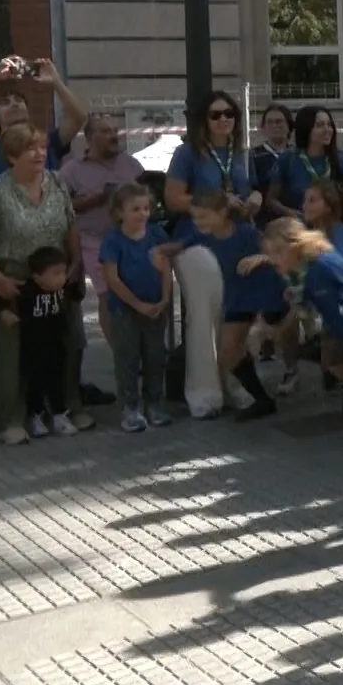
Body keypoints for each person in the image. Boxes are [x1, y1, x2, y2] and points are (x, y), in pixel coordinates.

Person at [0, 122, 83, 445]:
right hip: (14, 279)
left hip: (55, 277)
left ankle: (64, 408)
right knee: (11, 352)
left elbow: (71, 223)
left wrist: (76, 262)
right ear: (11, 156)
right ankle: (12, 418)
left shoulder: (57, 183)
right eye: (30, 149)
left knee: (64, 345)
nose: (39, 154)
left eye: (42, 147)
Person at [164, 90, 262, 420]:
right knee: (204, 314)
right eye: (215, 114)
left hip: (234, 237)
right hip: (196, 240)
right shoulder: (187, 153)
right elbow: (173, 198)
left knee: (234, 314)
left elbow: (250, 188)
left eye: (229, 113)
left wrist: (255, 198)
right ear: (203, 120)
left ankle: (232, 382)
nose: (223, 120)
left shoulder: (240, 153)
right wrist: (218, 201)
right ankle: (204, 393)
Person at [254, 218, 343, 424]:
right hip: (338, 323)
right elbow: (303, 301)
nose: (274, 259)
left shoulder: (323, 262)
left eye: (278, 252)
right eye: (270, 254)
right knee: (334, 361)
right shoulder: (299, 272)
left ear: (296, 245)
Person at [167, 190, 285, 421]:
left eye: (203, 217)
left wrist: (260, 259)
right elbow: (178, 246)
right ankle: (260, 398)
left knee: (238, 348)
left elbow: (277, 253)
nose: (198, 222)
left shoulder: (247, 233)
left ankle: (261, 397)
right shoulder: (201, 236)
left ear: (222, 212)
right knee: (228, 353)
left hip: (256, 296)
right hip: (235, 300)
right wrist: (157, 251)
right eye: (195, 218)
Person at [59, 113, 144, 340]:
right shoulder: (72, 170)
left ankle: (136, 343)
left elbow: (148, 197)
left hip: (132, 240)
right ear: (89, 138)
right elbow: (59, 207)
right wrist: (94, 199)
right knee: (108, 293)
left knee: (134, 290)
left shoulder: (131, 165)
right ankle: (119, 348)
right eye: (106, 131)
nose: (113, 136)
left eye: (115, 131)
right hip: (93, 240)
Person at [98, 183, 172, 433]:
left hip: (155, 308)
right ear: (120, 212)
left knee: (155, 356)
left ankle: (154, 403)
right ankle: (129, 407)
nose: (142, 214)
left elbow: (166, 270)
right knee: (127, 358)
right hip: (124, 310)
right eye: (135, 209)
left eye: (146, 208)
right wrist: (137, 304)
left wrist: (164, 299)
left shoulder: (157, 235)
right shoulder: (113, 240)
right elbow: (113, 279)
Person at [0, 244, 77, 439]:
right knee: (34, 383)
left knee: (58, 380)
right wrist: (5, 312)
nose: (61, 278)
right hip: (33, 347)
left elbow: (77, 293)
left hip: (57, 345)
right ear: (37, 277)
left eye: (63, 272)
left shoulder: (65, 288)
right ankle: (35, 416)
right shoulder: (28, 290)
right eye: (55, 273)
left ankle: (59, 415)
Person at [0, 55, 88, 183]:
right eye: (5, 102)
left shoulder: (48, 142)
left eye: (19, 100)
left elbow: (79, 117)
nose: (14, 104)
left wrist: (56, 82)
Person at [267, 105, 343, 220]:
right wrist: (290, 213)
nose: (327, 130)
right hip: (297, 225)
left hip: (332, 225)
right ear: (306, 129)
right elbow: (271, 200)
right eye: (319, 125)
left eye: (329, 124)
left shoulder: (339, 160)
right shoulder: (287, 159)